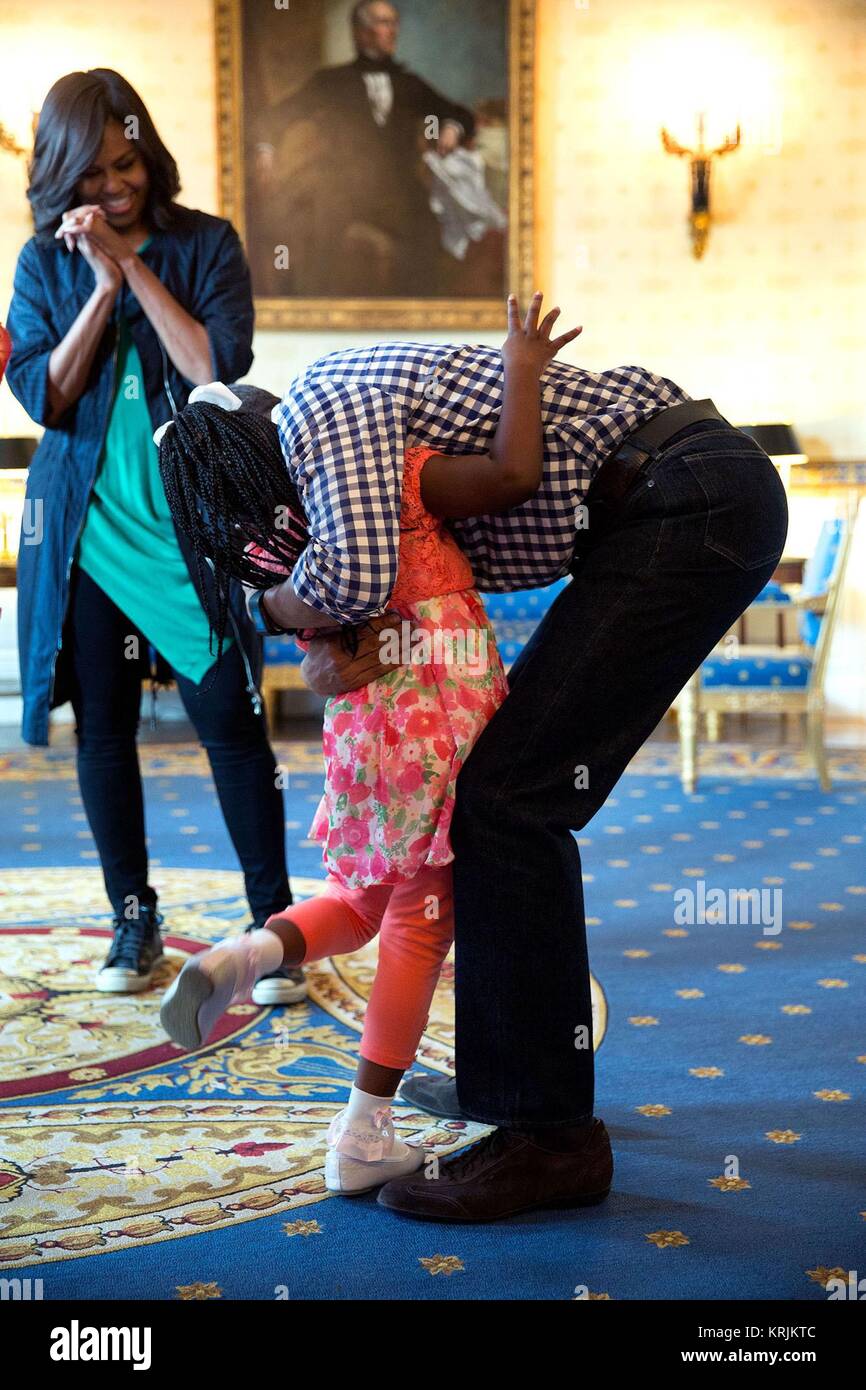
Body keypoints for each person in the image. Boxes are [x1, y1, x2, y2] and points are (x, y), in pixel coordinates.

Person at [239, 296, 789, 1222]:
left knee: (507, 800)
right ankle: (511, 1085)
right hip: (673, 496)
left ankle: (551, 1137)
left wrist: (272, 611)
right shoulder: (366, 449)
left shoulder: (314, 414)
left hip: (686, 494)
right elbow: (378, 583)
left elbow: (352, 577)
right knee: (497, 793)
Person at [156, 295, 581, 1197]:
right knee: (420, 924)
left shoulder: (295, 559)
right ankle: (364, 1133)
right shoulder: (383, 474)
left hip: (368, 735)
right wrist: (522, 370)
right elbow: (510, 476)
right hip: (440, 719)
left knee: (363, 899)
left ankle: (246, 956)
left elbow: (314, 633)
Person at [4, 69, 303, 1005]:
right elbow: (45, 397)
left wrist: (131, 265)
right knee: (105, 729)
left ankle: (274, 925)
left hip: (193, 527)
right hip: (86, 529)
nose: (114, 187)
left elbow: (214, 368)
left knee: (231, 721)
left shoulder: (205, 243)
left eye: (125, 164)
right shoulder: (41, 265)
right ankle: (133, 919)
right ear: (62, 174)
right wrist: (96, 289)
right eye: (92, 174)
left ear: (148, 152)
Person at [251, 0, 477, 295]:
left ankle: (419, 316)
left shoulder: (409, 83)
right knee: (319, 238)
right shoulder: (331, 82)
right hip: (340, 187)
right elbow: (277, 116)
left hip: (399, 189)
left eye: (394, 23)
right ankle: (318, 311)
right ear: (361, 32)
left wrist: (451, 126)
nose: (392, 30)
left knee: (426, 234)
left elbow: (458, 113)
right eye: (384, 22)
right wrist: (265, 149)